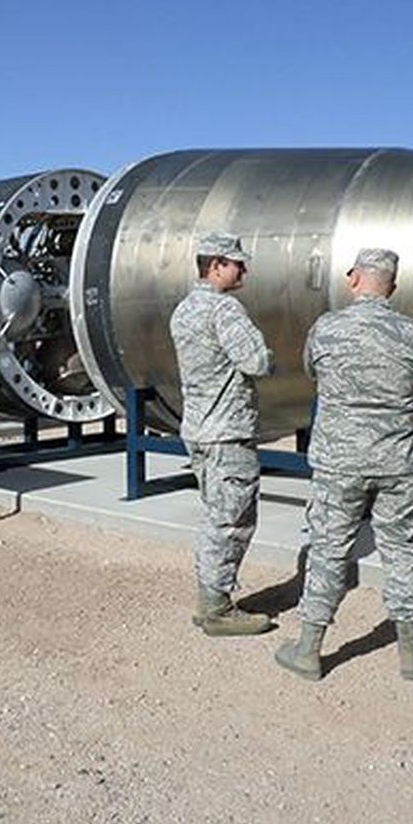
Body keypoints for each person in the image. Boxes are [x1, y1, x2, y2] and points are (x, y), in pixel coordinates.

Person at [276, 248, 413, 681]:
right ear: (393, 286)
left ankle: (309, 650)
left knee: (329, 549)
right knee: (403, 550)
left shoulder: (327, 329)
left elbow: (313, 374)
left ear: (353, 279)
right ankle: (409, 654)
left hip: (339, 460)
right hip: (398, 460)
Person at [169, 232, 275, 636]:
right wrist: (269, 356)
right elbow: (256, 361)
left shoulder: (184, 310)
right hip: (228, 430)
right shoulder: (224, 310)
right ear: (216, 266)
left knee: (217, 516)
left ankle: (210, 599)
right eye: (236, 263)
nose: (243, 269)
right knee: (232, 520)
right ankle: (216, 608)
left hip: (199, 429)